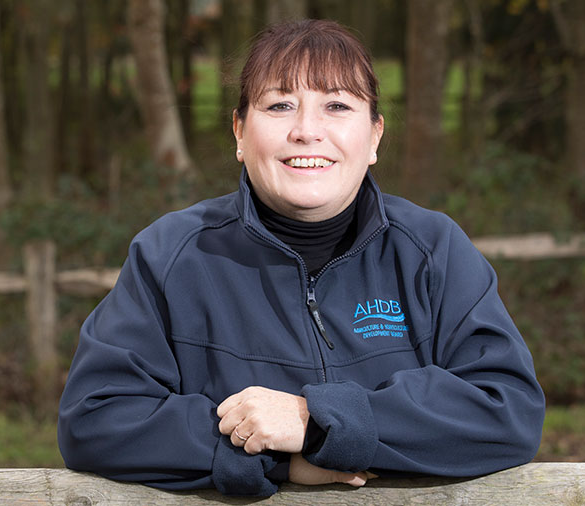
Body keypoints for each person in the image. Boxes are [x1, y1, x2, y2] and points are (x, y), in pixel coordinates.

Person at [57, 19, 545, 497]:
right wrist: (269, 457)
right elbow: (95, 417)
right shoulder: (170, 255)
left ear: (374, 136)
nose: (307, 131)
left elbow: (508, 408)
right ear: (239, 132)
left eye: (337, 105)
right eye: (280, 106)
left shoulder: (432, 250)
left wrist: (317, 423)